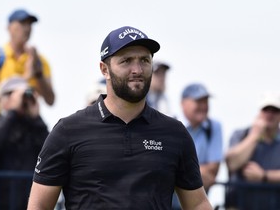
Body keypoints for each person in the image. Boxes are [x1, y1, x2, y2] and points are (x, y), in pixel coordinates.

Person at [27, 26, 213, 210]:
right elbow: (39, 206)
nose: (137, 69)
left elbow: (197, 204)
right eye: (126, 61)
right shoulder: (68, 131)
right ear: (104, 69)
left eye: (144, 60)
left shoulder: (175, 133)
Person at [0, 76, 49, 210]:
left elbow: (49, 151)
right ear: (3, 100)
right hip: (0, 200)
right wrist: (12, 112)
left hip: (28, 200)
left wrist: (36, 116)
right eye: (13, 94)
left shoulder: (35, 126)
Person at [0, 8, 55, 117]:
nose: (27, 28)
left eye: (30, 24)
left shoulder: (39, 60)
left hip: (28, 123)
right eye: (22, 23)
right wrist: (26, 77)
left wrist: (38, 74)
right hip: (0, 123)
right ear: (9, 28)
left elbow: (50, 100)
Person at [225, 92, 280, 210]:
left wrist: (264, 176)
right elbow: (232, 163)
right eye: (266, 110)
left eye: (274, 110)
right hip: (240, 205)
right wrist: (254, 136)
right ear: (259, 112)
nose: (269, 115)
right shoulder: (240, 135)